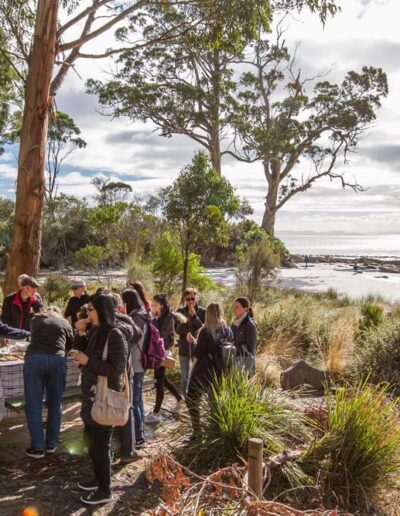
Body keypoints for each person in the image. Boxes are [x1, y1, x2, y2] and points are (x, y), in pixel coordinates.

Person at [73, 292, 130, 505]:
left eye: (90, 310)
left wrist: (88, 362)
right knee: (91, 440)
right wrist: (80, 333)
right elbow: (85, 354)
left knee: (100, 445)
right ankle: (97, 479)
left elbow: (116, 370)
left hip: (104, 399)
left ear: (102, 311)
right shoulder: (97, 331)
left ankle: (105, 490)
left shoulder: (115, 335)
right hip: (91, 396)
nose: (87, 313)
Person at [23, 307, 74, 459]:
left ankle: (37, 447)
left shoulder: (36, 319)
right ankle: (51, 444)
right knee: (55, 403)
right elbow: (70, 345)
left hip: (34, 359)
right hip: (57, 360)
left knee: (33, 404)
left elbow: (31, 337)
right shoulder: (65, 323)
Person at [186, 303, 233, 440]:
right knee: (214, 402)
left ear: (207, 314)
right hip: (220, 371)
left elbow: (198, 353)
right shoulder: (227, 330)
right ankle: (215, 432)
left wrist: (192, 343)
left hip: (203, 371)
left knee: (191, 398)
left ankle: (197, 432)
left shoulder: (205, 331)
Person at [111, 292, 143, 460]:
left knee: (108, 407)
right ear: (120, 306)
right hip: (124, 370)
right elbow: (138, 334)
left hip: (109, 371)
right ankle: (127, 450)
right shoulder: (124, 321)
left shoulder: (102, 322)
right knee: (127, 407)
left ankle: (110, 450)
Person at [146, 294, 184, 423]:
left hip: (162, 351)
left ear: (161, 305)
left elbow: (160, 334)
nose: (153, 307)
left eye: (155, 305)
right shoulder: (160, 316)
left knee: (159, 382)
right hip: (159, 350)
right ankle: (179, 398)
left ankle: (156, 413)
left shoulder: (168, 317)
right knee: (163, 380)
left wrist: (154, 319)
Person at [121, 288, 152, 448]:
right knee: (138, 400)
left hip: (136, 362)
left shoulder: (135, 317)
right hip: (141, 361)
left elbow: (132, 339)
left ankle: (138, 436)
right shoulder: (144, 314)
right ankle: (139, 434)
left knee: (135, 400)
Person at [177, 288, 206, 395]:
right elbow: (177, 329)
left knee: (196, 375)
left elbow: (203, 329)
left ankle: (195, 397)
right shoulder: (180, 311)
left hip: (198, 348)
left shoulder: (203, 312)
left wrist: (194, 317)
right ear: (185, 299)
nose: (190, 301)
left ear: (196, 298)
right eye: (188, 299)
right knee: (184, 376)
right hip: (184, 347)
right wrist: (188, 322)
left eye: (192, 299)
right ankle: (185, 397)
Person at [231, 297, 257, 376]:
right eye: (233, 307)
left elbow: (250, 350)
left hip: (245, 366)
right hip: (234, 363)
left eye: (237, 307)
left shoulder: (250, 325)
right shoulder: (234, 324)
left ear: (245, 309)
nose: (234, 309)